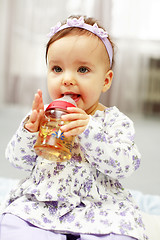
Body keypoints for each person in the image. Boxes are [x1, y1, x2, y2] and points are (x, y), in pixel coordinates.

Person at [0, 15, 147, 240]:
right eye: (57, 69)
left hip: (98, 207)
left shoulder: (114, 121)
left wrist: (89, 131)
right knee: (13, 225)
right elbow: (17, 160)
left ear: (105, 81)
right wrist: (29, 131)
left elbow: (126, 165)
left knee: (123, 233)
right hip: (43, 202)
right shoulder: (45, 115)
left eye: (83, 70)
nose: (67, 79)